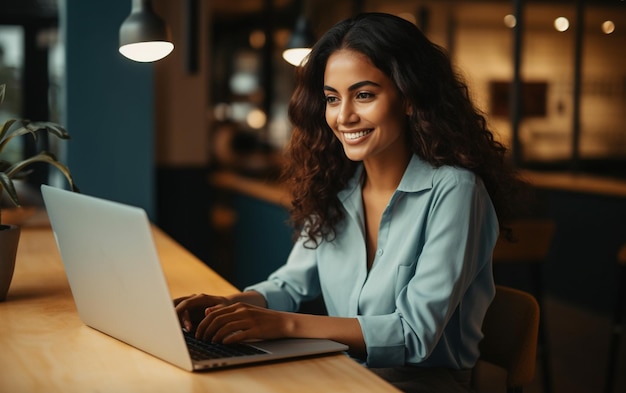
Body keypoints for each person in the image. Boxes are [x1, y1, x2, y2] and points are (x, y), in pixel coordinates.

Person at [175, 12, 527, 392]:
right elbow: (292, 285)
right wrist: (230, 306)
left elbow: (415, 334)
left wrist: (282, 324)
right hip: (342, 372)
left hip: (420, 384)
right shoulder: (334, 185)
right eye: (331, 98)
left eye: (364, 95)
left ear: (409, 99)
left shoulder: (456, 191)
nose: (343, 116)